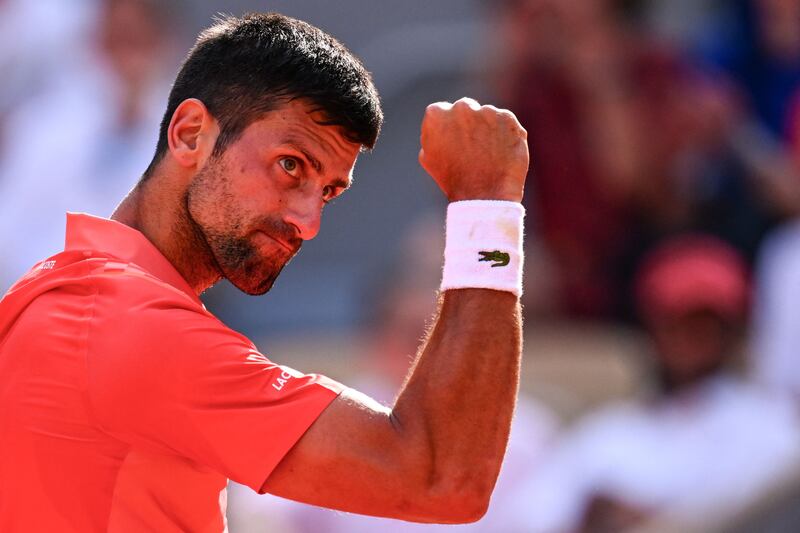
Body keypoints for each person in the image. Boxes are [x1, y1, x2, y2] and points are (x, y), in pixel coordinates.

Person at [0, 12, 529, 532]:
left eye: (328, 190)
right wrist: (487, 205)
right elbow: (439, 477)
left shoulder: (45, 295)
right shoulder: (138, 329)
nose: (309, 220)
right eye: (291, 165)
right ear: (189, 135)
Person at [497, 235, 800, 532]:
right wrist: (590, 513)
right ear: (652, 331)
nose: (689, 342)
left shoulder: (770, 427)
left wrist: (657, 519)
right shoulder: (612, 432)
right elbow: (530, 517)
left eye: (704, 327)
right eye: (675, 325)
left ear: (732, 334)